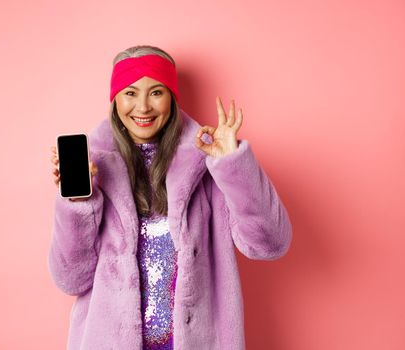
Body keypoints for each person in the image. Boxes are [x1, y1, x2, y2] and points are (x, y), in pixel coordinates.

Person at [48, 45, 292, 350]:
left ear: (172, 98)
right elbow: (71, 279)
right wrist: (78, 205)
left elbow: (269, 244)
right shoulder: (94, 170)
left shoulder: (206, 162)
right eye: (131, 93)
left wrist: (232, 165)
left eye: (156, 92)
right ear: (115, 100)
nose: (143, 107)